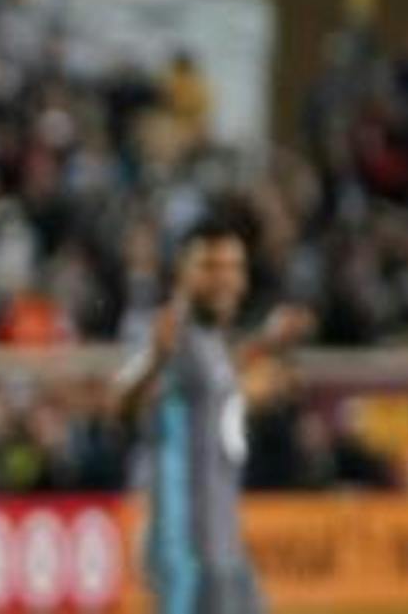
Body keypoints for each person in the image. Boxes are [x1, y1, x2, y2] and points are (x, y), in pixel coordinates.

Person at [110, 214, 313, 614]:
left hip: (221, 537)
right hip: (185, 542)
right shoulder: (167, 330)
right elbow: (121, 400)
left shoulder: (208, 337)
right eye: (210, 267)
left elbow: (212, 384)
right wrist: (154, 360)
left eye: (233, 267)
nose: (225, 278)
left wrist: (265, 344)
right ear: (183, 274)